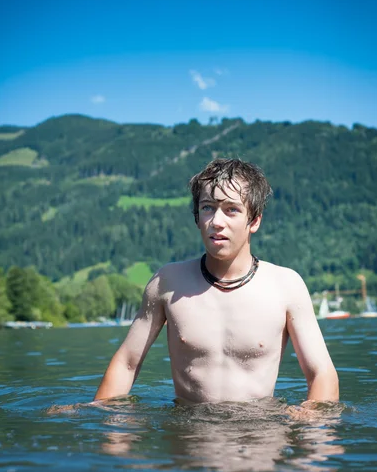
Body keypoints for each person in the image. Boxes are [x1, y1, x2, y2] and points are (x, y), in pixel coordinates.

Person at [95, 158, 339, 406]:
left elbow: (322, 374)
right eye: (208, 208)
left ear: (254, 221)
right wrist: (104, 422)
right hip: (190, 434)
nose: (217, 221)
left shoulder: (286, 286)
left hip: (259, 433)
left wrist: (311, 422)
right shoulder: (166, 283)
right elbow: (127, 363)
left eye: (232, 209)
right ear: (196, 217)